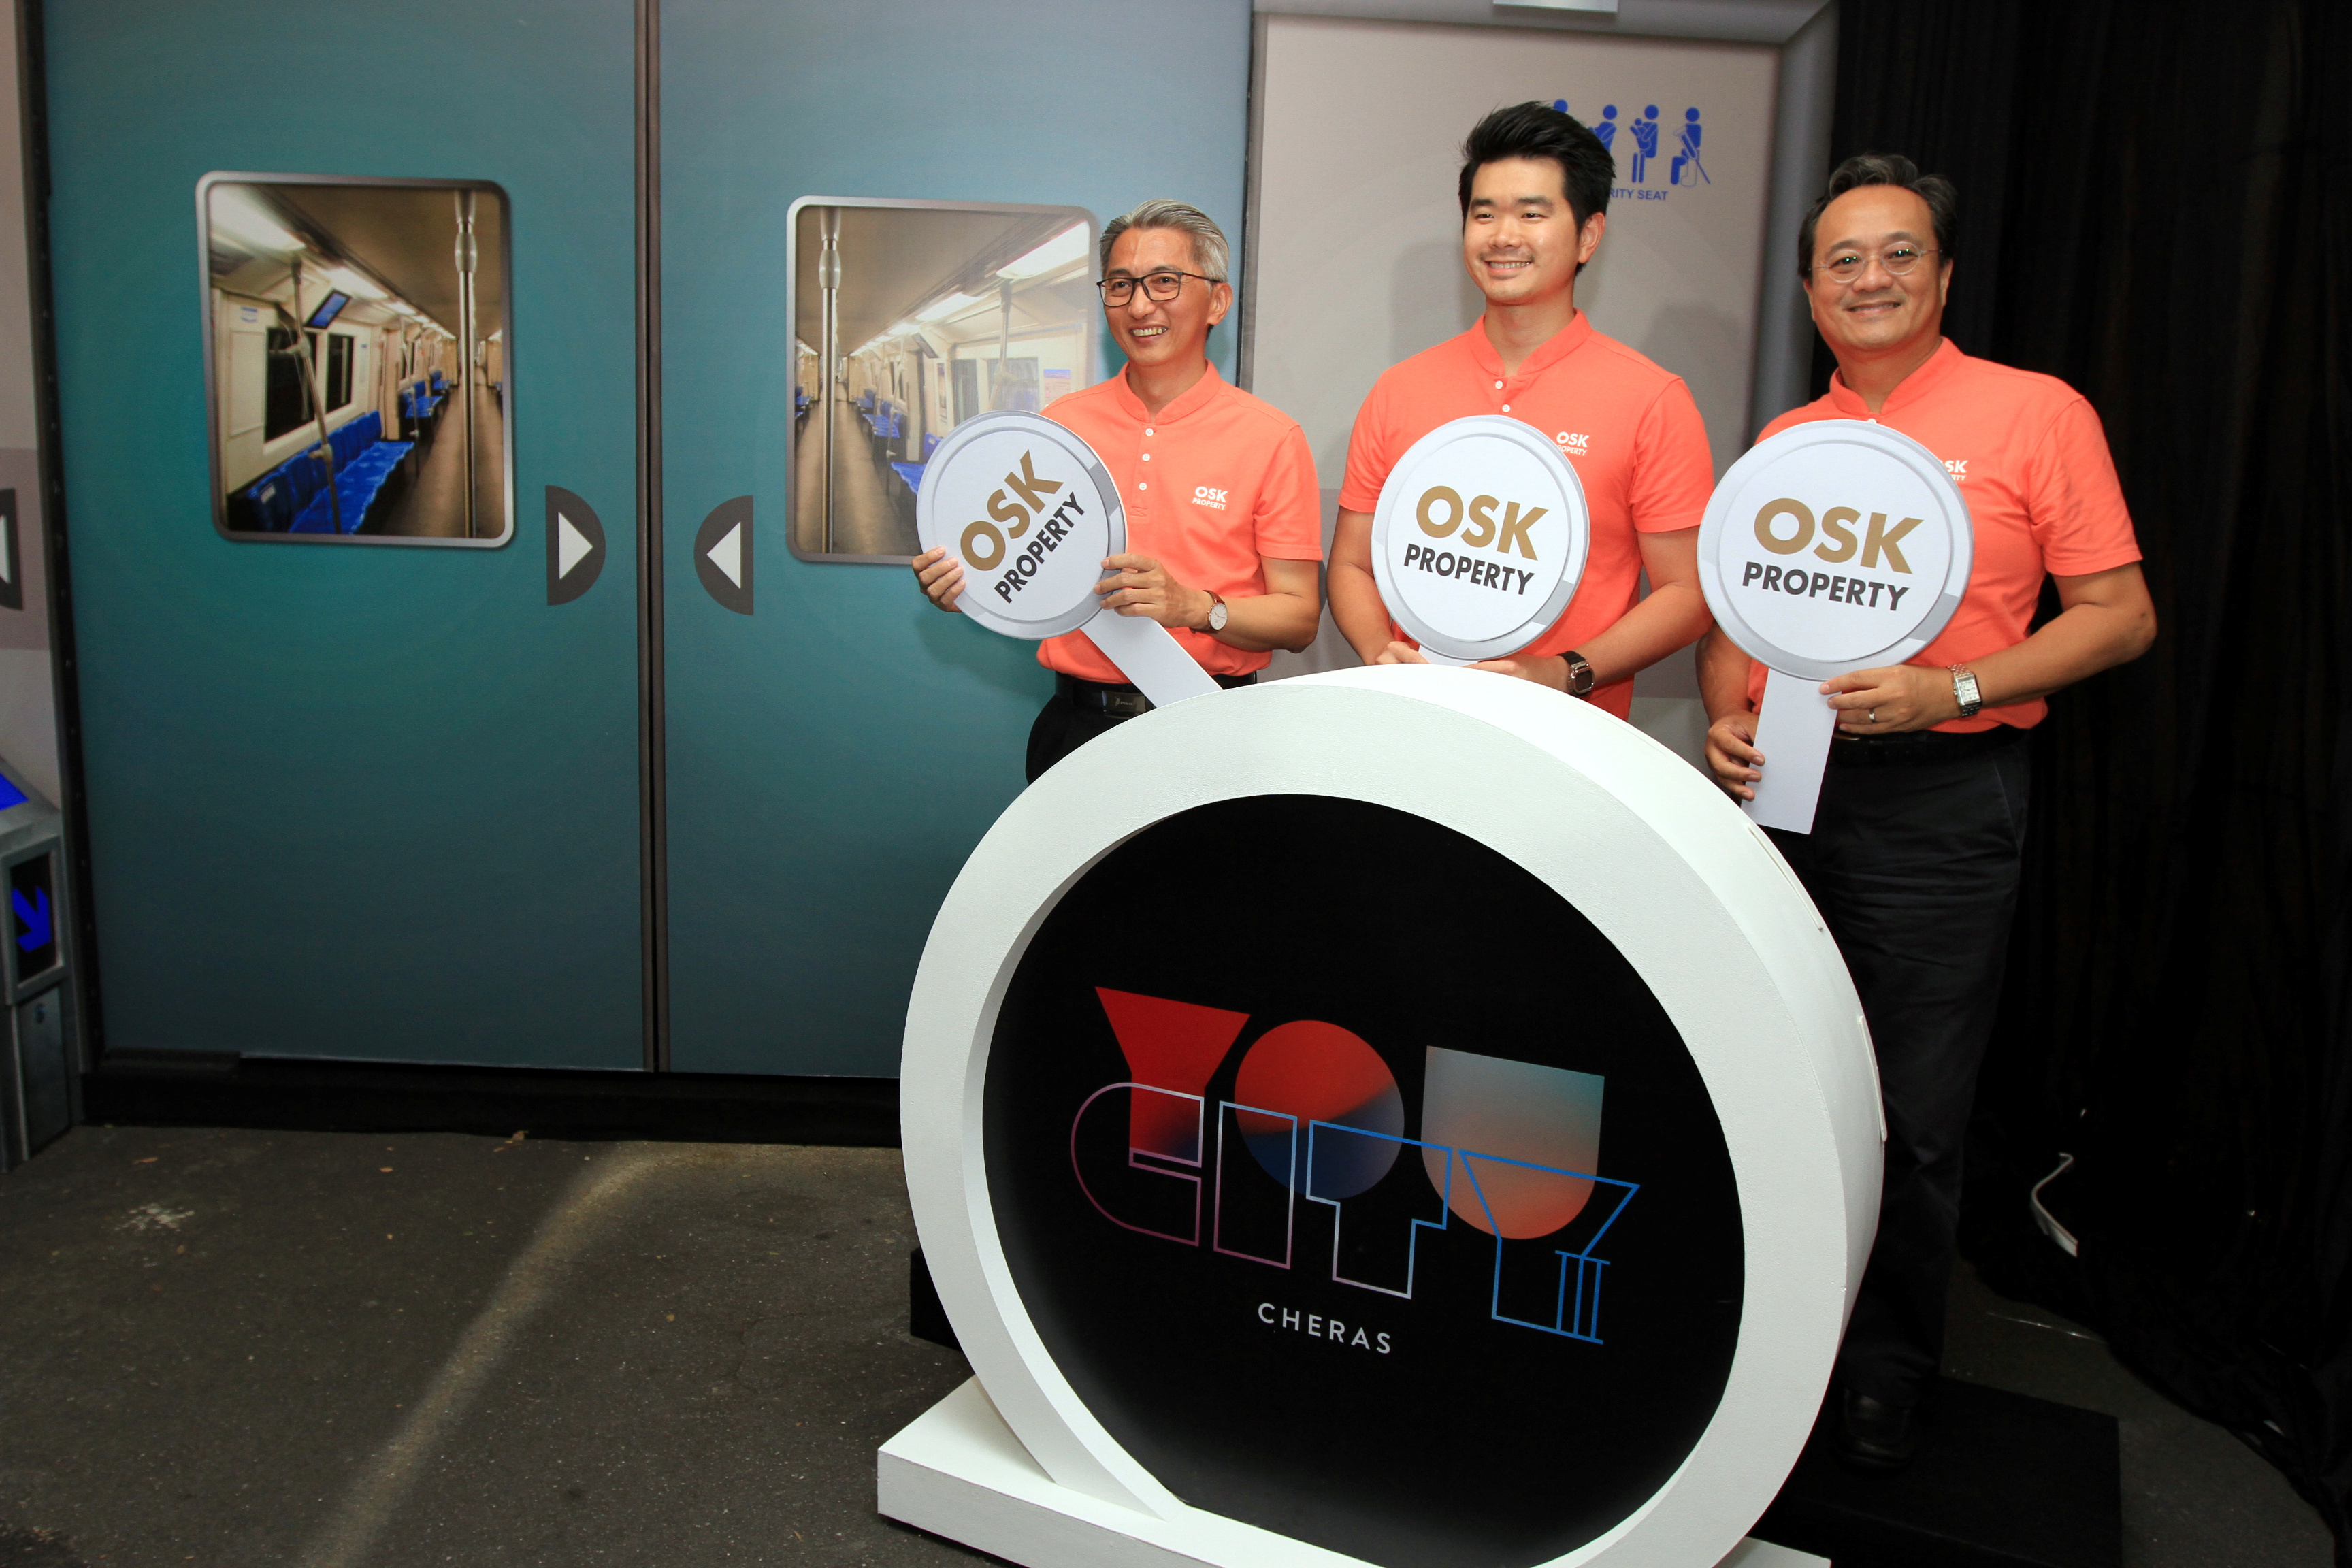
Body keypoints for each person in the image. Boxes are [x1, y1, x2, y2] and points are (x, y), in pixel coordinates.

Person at [1699, 153, 2156, 1471]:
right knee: (1767, 1074)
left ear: (1945, 276)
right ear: (1809, 293)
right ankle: (1754, 1342)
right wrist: (1728, 712)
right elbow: (1736, 625)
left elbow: (2120, 616)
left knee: (1911, 1109)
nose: (1871, 278)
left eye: (1899, 253)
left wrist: (1950, 686)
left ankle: (1882, 1366)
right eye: (1842, 260)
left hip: (1946, 800)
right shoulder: (1787, 444)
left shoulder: (2037, 414)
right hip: (1787, 789)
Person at [912, 199, 1323, 781]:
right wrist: (965, 584)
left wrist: (1194, 607)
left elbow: (1300, 618)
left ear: (1218, 301)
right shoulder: (1062, 427)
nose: (1139, 305)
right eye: (1121, 285)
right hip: (1077, 729)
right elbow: (1018, 560)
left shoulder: (1271, 438)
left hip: (1212, 726)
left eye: (1164, 282)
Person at [1328, 101, 1715, 710]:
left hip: (1569, 736)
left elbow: (1686, 593)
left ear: (1588, 235)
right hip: (1412, 722)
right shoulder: (1400, 389)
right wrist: (1380, 650)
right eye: (1484, 214)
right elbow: (1352, 565)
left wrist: (1565, 672)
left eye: (1532, 214)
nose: (1503, 236)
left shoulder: (1651, 400)